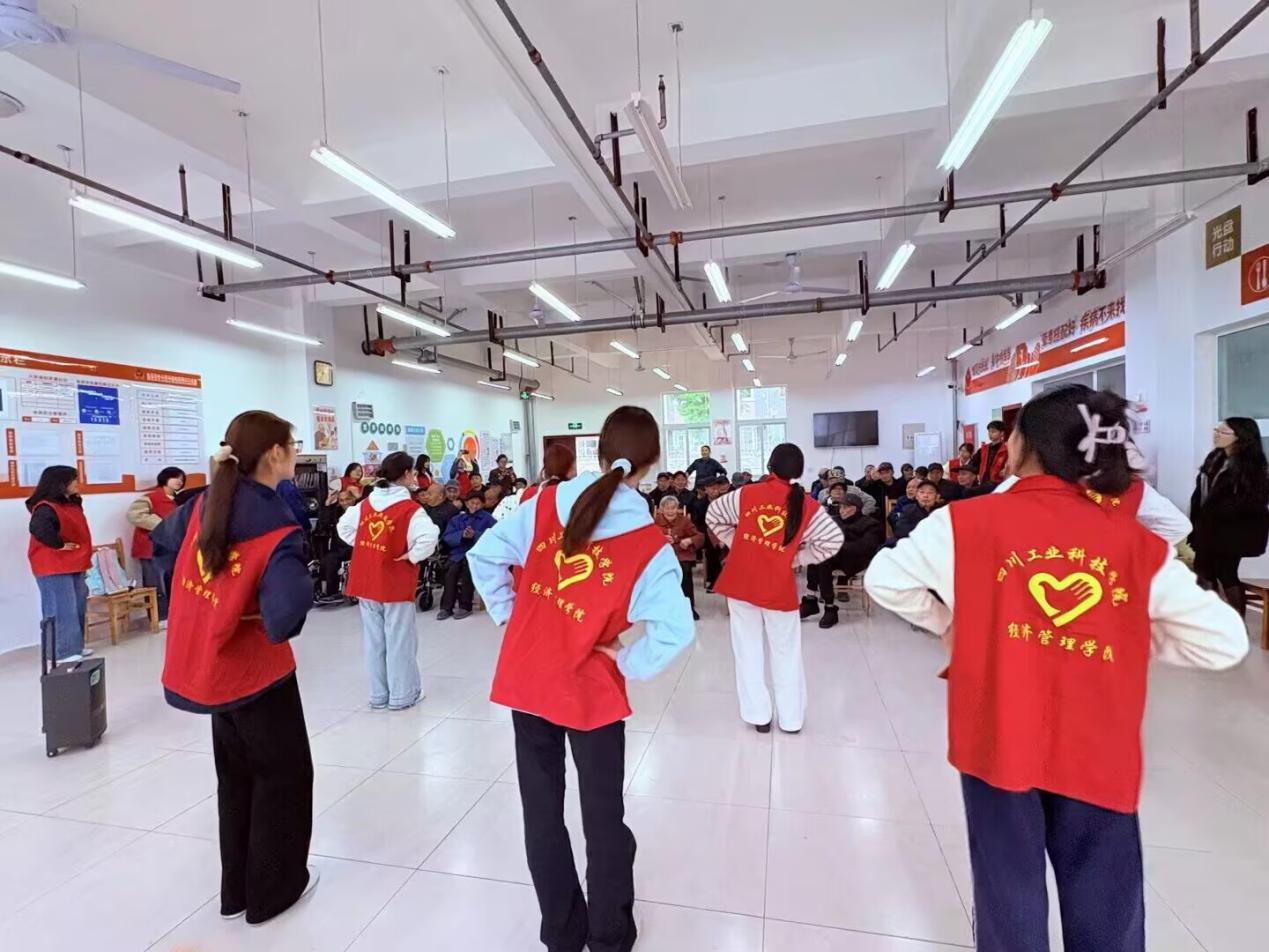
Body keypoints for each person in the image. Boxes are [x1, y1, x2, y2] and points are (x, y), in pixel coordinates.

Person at [865, 384, 1248, 952]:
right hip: (1099, 741)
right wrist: (1121, 635)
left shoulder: (965, 522)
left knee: (1007, 889)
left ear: (1026, 445)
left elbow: (884, 580)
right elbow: (1223, 642)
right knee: (1106, 898)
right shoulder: (1131, 540)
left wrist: (952, 625)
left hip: (996, 734)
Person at [467, 405, 695, 952]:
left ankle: (562, 933)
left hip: (529, 682)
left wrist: (513, 617)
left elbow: (483, 555)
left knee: (541, 813)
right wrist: (627, 660)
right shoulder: (649, 544)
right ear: (652, 464)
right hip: (591, 692)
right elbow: (676, 630)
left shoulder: (543, 504)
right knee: (603, 816)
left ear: (599, 451)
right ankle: (610, 934)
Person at [152, 411, 318, 925]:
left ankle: (235, 892)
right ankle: (273, 892)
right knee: (283, 777)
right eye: (293, 445)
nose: (296, 453)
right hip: (258, 675)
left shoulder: (204, 503)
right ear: (275, 453)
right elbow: (285, 616)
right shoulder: (276, 525)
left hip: (212, 670)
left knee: (235, 777)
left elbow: (163, 543)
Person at [707, 443, 845, 733]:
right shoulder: (808, 504)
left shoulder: (746, 494)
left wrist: (738, 544)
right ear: (799, 471)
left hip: (741, 582)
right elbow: (832, 540)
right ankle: (791, 719)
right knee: (786, 652)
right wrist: (797, 558)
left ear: (770, 465)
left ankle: (759, 716)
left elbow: (713, 516)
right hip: (778, 587)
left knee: (747, 650)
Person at [338, 451, 439, 710]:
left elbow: (343, 527)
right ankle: (402, 695)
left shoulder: (365, 504)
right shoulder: (410, 509)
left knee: (374, 641)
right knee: (400, 639)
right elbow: (429, 539)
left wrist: (366, 547)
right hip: (395, 580)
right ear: (406, 474)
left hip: (366, 578)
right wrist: (411, 556)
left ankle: (379, 695)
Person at [1190, 417, 1269, 618]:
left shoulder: (1252, 466)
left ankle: (1236, 623)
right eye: (1216, 430)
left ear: (1240, 437)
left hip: (1232, 533)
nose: (1216, 435)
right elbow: (1202, 493)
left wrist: (1219, 512)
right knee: (1203, 572)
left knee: (1226, 573)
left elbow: (1253, 503)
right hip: (1207, 528)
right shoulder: (1215, 458)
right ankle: (1209, 620)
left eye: (1223, 432)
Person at [26, 465, 93, 664]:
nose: (77, 483)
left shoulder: (71, 503)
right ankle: (62, 651)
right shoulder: (45, 506)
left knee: (77, 605)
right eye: (74, 479)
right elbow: (39, 528)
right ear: (61, 483)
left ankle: (75, 646)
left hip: (74, 561)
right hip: (53, 564)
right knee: (60, 607)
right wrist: (59, 544)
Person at [800, 493, 884, 628]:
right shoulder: (833, 521)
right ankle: (813, 601)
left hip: (855, 560)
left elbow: (864, 547)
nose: (841, 510)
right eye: (840, 507)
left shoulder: (871, 524)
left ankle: (825, 606)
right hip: (833, 557)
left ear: (855, 508)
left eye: (845, 507)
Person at [128, 466, 186, 623]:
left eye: (182, 479)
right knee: (155, 584)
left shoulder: (180, 500)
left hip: (172, 547)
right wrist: (162, 525)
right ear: (164, 479)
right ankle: (159, 617)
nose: (179, 481)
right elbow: (135, 515)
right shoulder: (150, 498)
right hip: (150, 548)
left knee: (173, 582)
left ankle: (174, 614)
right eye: (175, 477)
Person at [439, 492, 495, 619]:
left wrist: (475, 535)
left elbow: (494, 535)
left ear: (482, 504)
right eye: (472, 503)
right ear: (466, 503)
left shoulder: (488, 519)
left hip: (477, 553)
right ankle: (446, 607)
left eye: (478, 503)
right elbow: (447, 536)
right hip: (458, 553)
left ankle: (465, 606)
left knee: (468, 571)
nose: (474, 506)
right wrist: (461, 535)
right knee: (450, 572)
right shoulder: (457, 519)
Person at [656, 496, 704, 620]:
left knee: (685, 571)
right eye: (667, 508)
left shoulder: (684, 521)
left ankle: (688, 607)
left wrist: (689, 540)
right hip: (660, 555)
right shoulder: (654, 522)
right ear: (661, 509)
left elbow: (699, 537)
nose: (670, 511)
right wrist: (660, 539)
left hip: (681, 553)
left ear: (677, 509)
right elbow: (644, 539)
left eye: (673, 508)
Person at [314, 486, 356, 605]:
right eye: (341, 500)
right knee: (325, 559)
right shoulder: (337, 513)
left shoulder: (359, 511)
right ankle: (325, 591)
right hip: (338, 548)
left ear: (353, 499)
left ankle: (332, 592)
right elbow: (322, 525)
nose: (345, 502)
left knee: (331, 559)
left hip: (354, 547)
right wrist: (327, 504)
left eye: (348, 499)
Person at [971, 420, 1010, 486]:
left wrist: (1006, 469)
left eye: (993, 431)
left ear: (1002, 433)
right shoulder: (983, 449)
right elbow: (973, 463)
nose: (990, 434)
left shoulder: (1006, 449)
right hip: (984, 482)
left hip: (999, 483)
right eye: (989, 431)